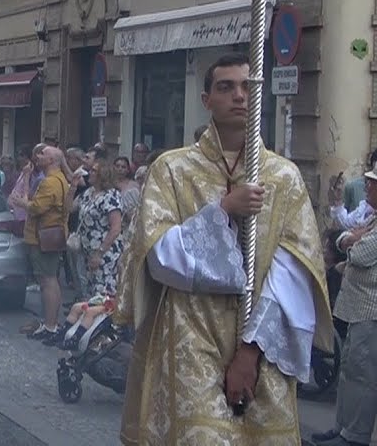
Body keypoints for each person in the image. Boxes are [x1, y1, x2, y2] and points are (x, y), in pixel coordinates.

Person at [118, 53, 331, 445]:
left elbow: (292, 272)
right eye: (226, 87)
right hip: (189, 330)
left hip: (264, 340)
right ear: (206, 100)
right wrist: (222, 212)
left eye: (248, 86)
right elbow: (160, 256)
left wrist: (250, 351)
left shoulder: (283, 178)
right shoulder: (171, 170)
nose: (239, 95)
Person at [310, 173, 377, 446]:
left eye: (373, 184)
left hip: (371, 311)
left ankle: (355, 435)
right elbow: (341, 239)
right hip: (358, 308)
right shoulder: (372, 219)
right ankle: (342, 428)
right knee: (350, 371)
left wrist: (352, 240)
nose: (368, 187)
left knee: (363, 375)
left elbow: (359, 254)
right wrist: (351, 239)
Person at [24, 145, 69, 344]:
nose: (38, 156)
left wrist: (20, 203)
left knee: (47, 281)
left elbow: (36, 208)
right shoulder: (59, 179)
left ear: (51, 160)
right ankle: (50, 323)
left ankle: (51, 325)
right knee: (50, 280)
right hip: (49, 235)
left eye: (42, 154)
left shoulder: (50, 182)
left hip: (43, 237)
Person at [73, 159, 124, 299]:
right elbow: (69, 209)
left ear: (103, 174)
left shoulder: (111, 196)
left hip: (105, 252)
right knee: (89, 290)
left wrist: (99, 253)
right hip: (87, 250)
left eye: (94, 170)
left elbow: (116, 228)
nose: (90, 173)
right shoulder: (89, 193)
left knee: (103, 292)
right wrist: (73, 186)